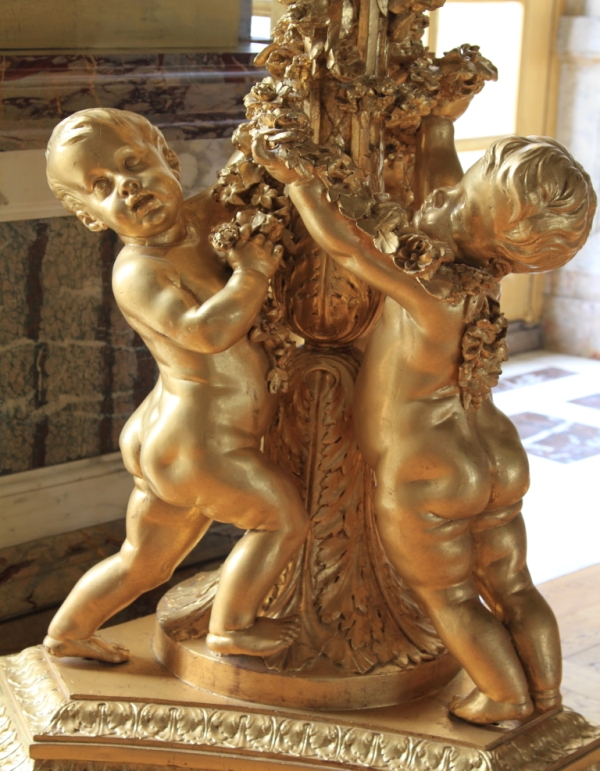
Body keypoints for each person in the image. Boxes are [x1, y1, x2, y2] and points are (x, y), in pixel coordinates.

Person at [253, 114, 596, 724]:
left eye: (457, 199)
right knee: (513, 585)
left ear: (474, 225)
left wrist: (299, 181)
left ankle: (503, 696)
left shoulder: (429, 286)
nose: (440, 195)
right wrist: (437, 127)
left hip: (429, 468)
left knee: (450, 595)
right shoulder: (488, 276)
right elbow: (445, 178)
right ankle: (545, 699)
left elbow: (348, 247)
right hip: (496, 451)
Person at [43, 108, 310, 664]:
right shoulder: (138, 272)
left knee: (145, 561)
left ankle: (67, 633)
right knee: (281, 519)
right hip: (202, 443)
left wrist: (265, 141)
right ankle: (231, 628)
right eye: (101, 187)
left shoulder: (202, 213)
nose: (127, 186)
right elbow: (205, 332)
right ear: (89, 216)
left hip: (173, 435)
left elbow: (239, 180)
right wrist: (253, 273)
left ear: (167, 156)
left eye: (132, 163)